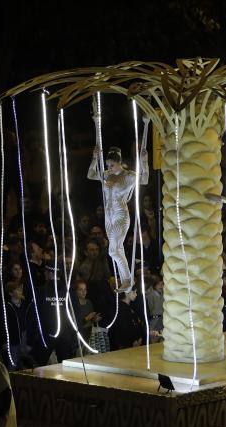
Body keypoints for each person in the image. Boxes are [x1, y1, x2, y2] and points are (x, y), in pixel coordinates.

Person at [88, 110, 150, 292]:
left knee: (113, 251)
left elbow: (144, 179)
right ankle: (126, 281)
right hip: (108, 216)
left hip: (121, 214)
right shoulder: (106, 174)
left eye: (112, 165)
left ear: (120, 163)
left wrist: (144, 162)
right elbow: (91, 174)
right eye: (108, 165)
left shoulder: (128, 176)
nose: (109, 168)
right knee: (117, 249)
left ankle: (128, 281)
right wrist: (94, 159)